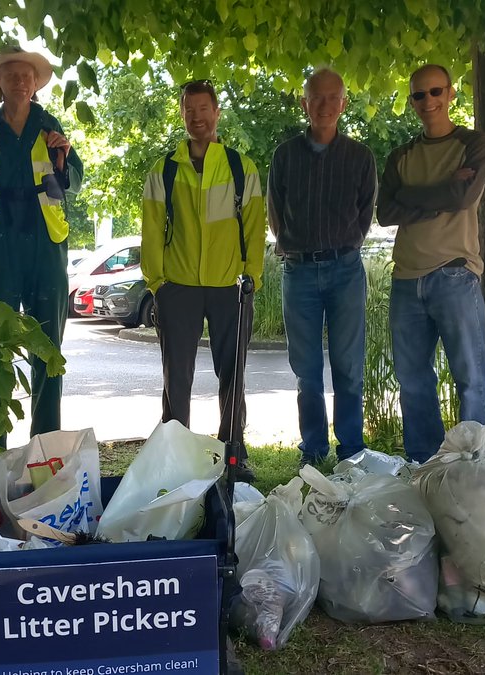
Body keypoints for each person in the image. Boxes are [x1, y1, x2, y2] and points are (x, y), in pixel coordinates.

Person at [0, 46, 83, 438]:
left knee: (48, 349)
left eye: (27, 76)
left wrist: (63, 162)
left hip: (45, 243)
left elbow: (74, 182)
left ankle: (46, 445)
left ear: (36, 84)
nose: (20, 82)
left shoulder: (49, 124)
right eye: (11, 75)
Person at [141, 79, 267, 481]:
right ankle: (174, 458)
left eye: (203, 109)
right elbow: (151, 231)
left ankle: (233, 454)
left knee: (233, 374)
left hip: (230, 286)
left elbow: (255, 228)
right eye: (189, 110)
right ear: (182, 115)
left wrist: (251, 277)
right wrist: (158, 283)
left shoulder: (240, 167)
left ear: (216, 113)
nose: (197, 117)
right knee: (176, 379)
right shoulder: (164, 170)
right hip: (177, 287)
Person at [377, 63, 485, 463]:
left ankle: (482, 468)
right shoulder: (400, 156)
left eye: (435, 92)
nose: (428, 101)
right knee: (412, 383)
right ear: (412, 101)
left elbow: (462, 199)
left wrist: (410, 196)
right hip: (406, 279)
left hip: (455, 274)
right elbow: (384, 213)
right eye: (419, 94)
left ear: (450, 94)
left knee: (471, 380)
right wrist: (443, 190)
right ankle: (424, 468)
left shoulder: (475, 144)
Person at [267, 68, 376, 467]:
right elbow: (275, 213)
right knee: (307, 370)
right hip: (298, 272)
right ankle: (312, 450)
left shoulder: (360, 157)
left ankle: (351, 451)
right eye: (317, 97)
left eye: (333, 98)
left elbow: (365, 213)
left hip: (345, 270)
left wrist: (344, 244)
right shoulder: (284, 156)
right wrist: (296, 245)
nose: (325, 105)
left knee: (349, 366)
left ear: (343, 104)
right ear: (304, 103)